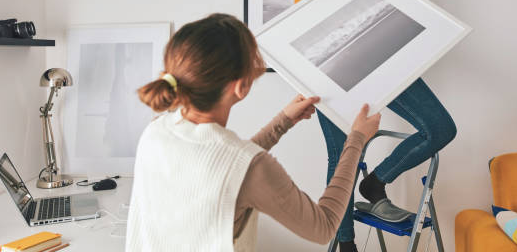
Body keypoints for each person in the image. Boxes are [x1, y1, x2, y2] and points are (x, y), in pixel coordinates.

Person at [290, 0, 457, 252]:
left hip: (387, 58)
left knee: (440, 127)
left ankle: (376, 181)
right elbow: (299, 0)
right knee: (340, 156)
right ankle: (346, 244)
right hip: (332, 67)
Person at [125, 13, 381, 252]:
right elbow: (323, 228)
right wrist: (356, 140)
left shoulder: (155, 131)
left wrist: (282, 122)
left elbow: (223, 169)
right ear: (242, 87)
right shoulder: (252, 167)